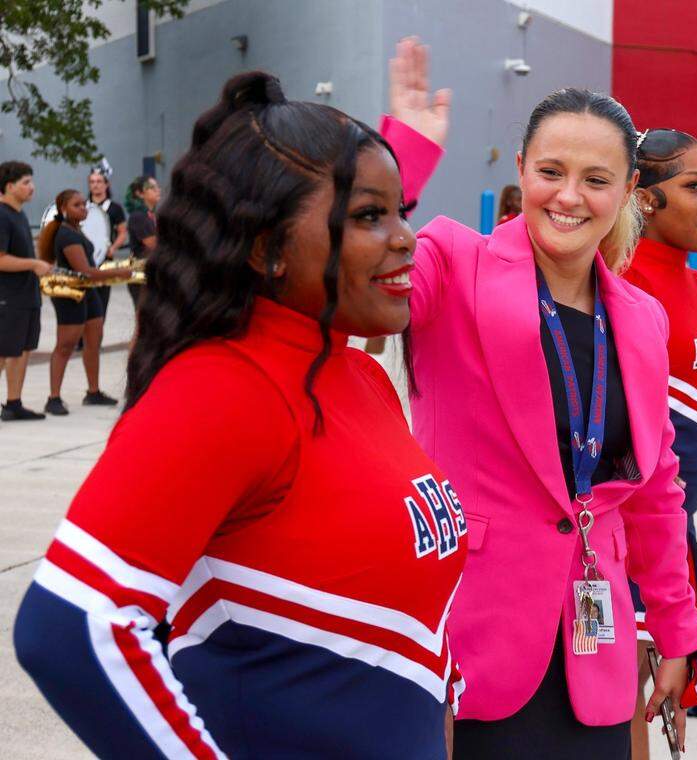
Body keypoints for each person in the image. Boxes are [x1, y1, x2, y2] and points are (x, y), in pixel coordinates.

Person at [14, 70, 466, 759]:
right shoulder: (227, 386)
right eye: (372, 216)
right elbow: (73, 625)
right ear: (267, 249)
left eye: (402, 211)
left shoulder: (359, 376)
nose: (407, 237)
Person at [380, 39, 697, 759]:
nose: (569, 197)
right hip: (470, 640)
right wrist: (395, 172)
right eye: (551, 172)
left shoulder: (641, 317)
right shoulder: (451, 262)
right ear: (523, 173)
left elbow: (656, 488)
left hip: (595, 650)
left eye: (596, 179)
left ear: (627, 194)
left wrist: (676, 629)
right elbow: (350, 280)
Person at [621, 128, 697, 760]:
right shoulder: (624, 284)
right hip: (635, 526)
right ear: (645, 200)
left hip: (676, 520)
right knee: (627, 701)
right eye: (693, 187)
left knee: (659, 703)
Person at [36, 190, 123, 414]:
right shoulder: (67, 235)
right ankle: (53, 398)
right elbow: (85, 272)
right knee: (65, 345)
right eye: (77, 205)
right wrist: (123, 272)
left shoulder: (77, 230)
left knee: (94, 341)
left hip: (87, 291)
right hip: (69, 293)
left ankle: (93, 392)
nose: (83, 208)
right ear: (64, 209)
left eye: (84, 205)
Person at [0, 161, 52, 422]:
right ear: (9, 187)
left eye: (32, 181)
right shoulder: (1, 215)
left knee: (22, 350)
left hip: (27, 295)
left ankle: (13, 404)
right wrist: (33, 264)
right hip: (7, 297)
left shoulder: (18, 214)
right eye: (25, 183)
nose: (32, 187)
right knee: (3, 351)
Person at [84, 167, 128, 313]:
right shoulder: (82, 207)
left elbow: (122, 233)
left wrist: (113, 248)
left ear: (106, 184)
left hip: (105, 261)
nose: (95, 185)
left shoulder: (115, 208)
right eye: (92, 182)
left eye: (98, 181)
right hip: (84, 260)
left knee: (101, 305)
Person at [125, 175, 160, 309]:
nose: (158, 190)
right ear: (139, 193)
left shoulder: (151, 215)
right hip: (141, 274)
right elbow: (153, 244)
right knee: (145, 318)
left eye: (157, 187)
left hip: (152, 272)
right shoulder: (138, 217)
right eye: (152, 188)